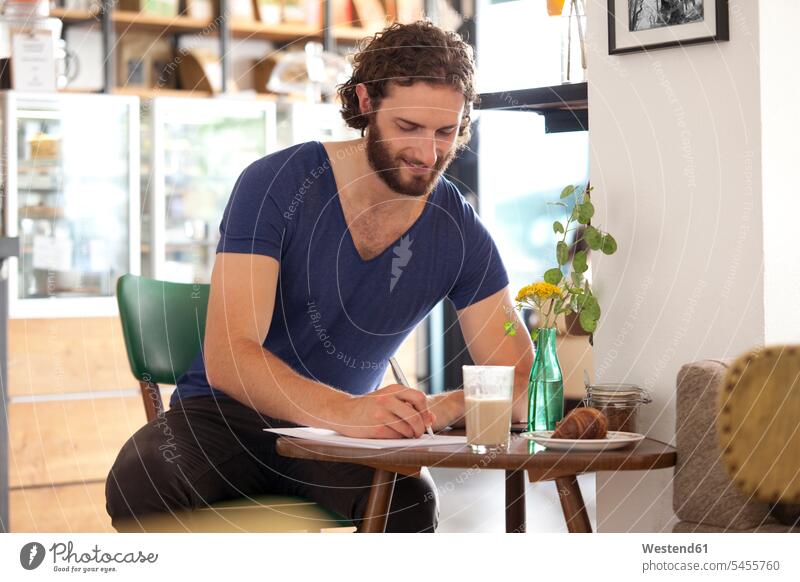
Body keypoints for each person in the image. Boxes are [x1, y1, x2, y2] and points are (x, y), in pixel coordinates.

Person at [106, 20, 533, 533]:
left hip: (345, 443)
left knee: (410, 505)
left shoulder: (457, 230)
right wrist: (347, 410)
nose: (427, 155)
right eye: (409, 128)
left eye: (445, 132)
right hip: (228, 418)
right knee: (141, 478)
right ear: (366, 102)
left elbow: (520, 377)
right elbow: (230, 358)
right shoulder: (277, 184)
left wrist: (443, 406)